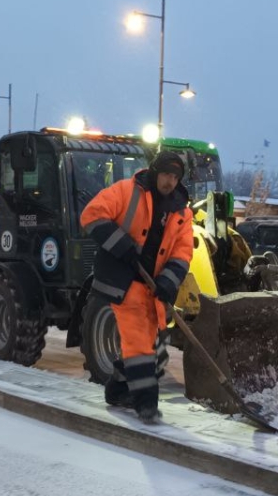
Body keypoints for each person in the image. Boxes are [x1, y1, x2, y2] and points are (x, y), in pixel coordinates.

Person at [80, 151, 193, 423]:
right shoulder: (126, 191)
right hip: (123, 279)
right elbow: (91, 215)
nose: (170, 181)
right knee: (140, 343)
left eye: (176, 177)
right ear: (155, 171)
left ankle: (118, 389)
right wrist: (122, 246)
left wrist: (169, 280)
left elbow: (183, 251)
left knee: (155, 347)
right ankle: (146, 403)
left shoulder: (182, 211)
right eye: (166, 174)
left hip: (152, 287)